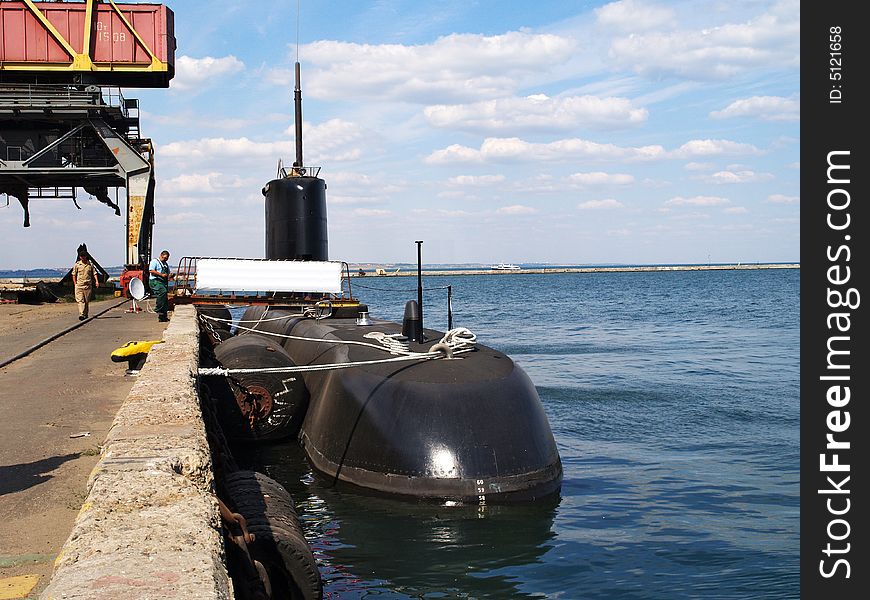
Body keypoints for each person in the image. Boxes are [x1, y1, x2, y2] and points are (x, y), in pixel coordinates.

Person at [148, 250, 175, 322]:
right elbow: (151, 271)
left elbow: (168, 274)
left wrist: (170, 276)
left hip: (163, 282)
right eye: (164, 258)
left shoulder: (165, 264)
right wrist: (161, 275)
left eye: (167, 258)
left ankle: (163, 317)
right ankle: (158, 309)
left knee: (165, 299)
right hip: (155, 281)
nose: (165, 259)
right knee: (163, 292)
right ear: (161, 255)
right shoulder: (154, 261)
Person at [71, 251, 99, 320]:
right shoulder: (77, 265)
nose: (82, 257)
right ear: (80, 257)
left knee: (86, 301)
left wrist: (97, 281)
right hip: (79, 285)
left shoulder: (90, 265)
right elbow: (74, 274)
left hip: (87, 285)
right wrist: (75, 284)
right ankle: (81, 314)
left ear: (86, 256)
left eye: (84, 256)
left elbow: (94, 273)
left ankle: (85, 314)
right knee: (80, 300)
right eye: (81, 256)